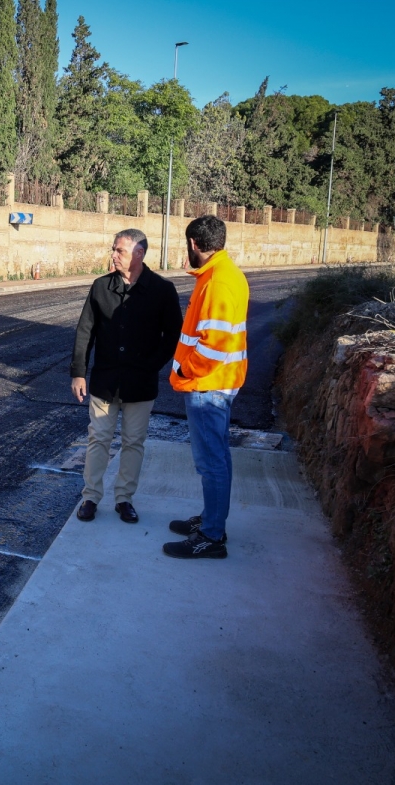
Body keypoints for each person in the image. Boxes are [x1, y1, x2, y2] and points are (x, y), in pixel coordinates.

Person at [71, 229, 183, 524]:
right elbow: (85, 331)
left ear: (139, 254)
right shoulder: (100, 287)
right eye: (114, 249)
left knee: (134, 441)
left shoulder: (161, 290)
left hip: (140, 382)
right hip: (105, 380)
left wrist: (152, 365)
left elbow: (173, 334)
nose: (113, 255)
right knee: (99, 439)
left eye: (119, 250)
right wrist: (78, 373)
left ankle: (124, 499)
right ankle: (90, 497)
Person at [163, 215, 249, 560]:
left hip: (208, 386)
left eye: (189, 246)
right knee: (217, 459)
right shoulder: (222, 275)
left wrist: (186, 369)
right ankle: (212, 521)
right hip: (215, 384)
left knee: (211, 462)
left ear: (194, 244)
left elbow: (215, 345)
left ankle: (211, 536)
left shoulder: (218, 282)